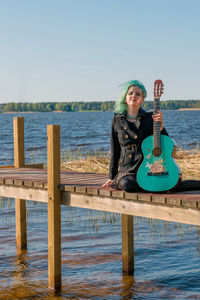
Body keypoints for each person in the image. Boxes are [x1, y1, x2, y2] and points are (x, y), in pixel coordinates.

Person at [102, 80, 168, 192]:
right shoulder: (117, 120)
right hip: (127, 170)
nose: (134, 96)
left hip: (147, 166)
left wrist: (161, 126)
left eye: (138, 94)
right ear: (125, 98)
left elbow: (166, 143)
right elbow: (115, 150)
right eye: (131, 93)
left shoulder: (150, 118)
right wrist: (111, 177)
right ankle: (152, 185)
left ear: (142, 99)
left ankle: (154, 184)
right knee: (127, 184)